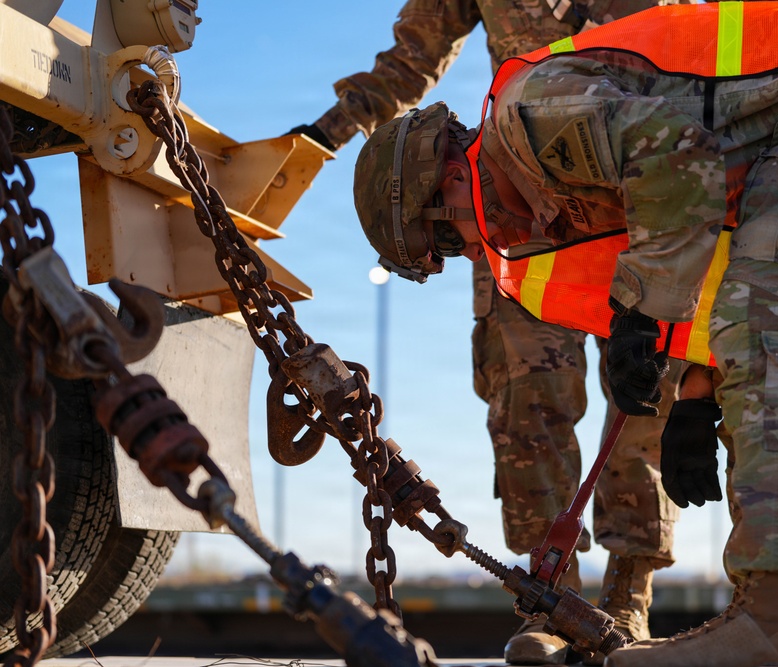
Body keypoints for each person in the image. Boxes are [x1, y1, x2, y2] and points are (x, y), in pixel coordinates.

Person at [351, 2, 778, 666]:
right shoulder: (558, 194)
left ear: (444, 182)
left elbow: (679, 149)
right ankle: (773, 618)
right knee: (768, 328)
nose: (468, 251)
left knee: (775, 332)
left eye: (445, 238)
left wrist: (642, 309)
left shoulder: (532, 117)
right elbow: (719, 254)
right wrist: (697, 391)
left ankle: (776, 622)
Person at [287, 2, 698, 664]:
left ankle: (628, 598)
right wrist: (322, 136)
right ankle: (553, 598)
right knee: (525, 401)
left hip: (644, 175)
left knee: (647, 392)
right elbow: (411, 58)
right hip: (512, 201)